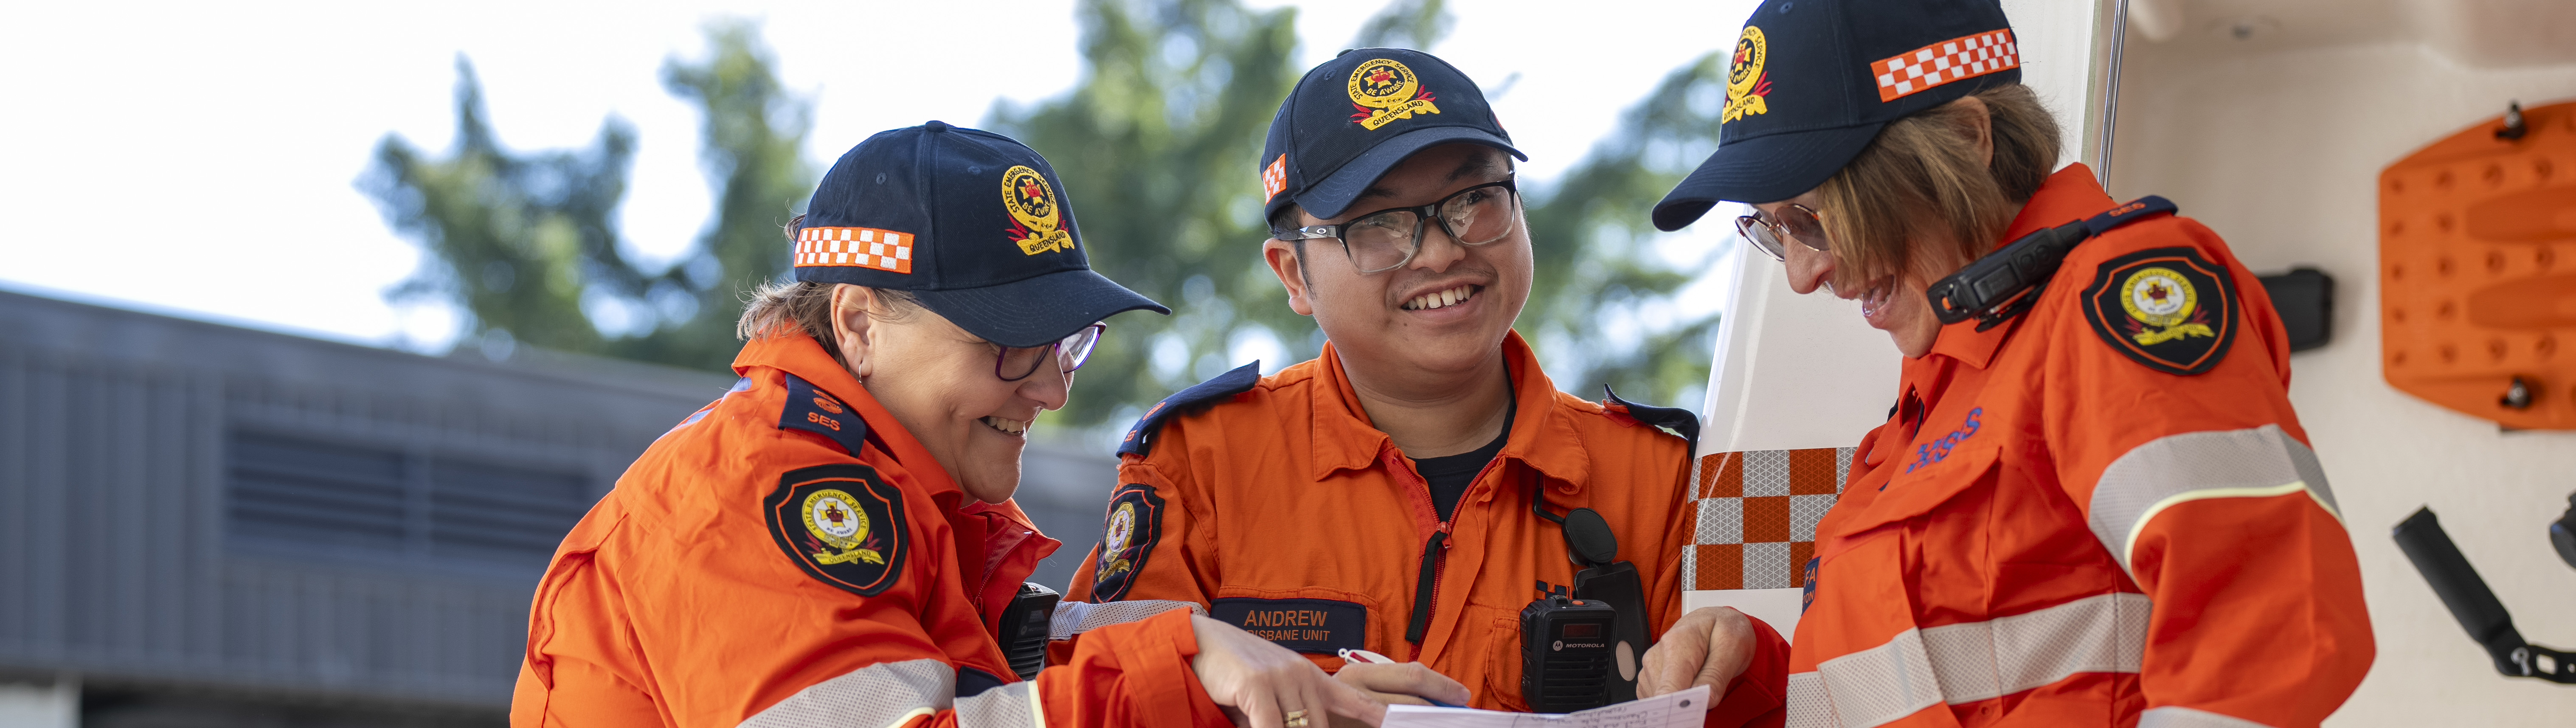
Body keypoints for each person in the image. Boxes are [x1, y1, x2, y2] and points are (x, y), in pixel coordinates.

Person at [511, 121, 1386, 728]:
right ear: (858, 323)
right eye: (1010, 344)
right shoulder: (745, 493)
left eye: (1069, 344)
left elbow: (1025, 653)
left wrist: (1304, 686)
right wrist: (1195, 670)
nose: (1053, 390)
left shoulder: (909, 496)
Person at [1650, 1, 2376, 727]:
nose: (1804, 275)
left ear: (1967, 141)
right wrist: (1749, 679)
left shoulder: (2108, 295)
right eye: (1775, 231)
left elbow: (2270, 630)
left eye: (1814, 217)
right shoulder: (1938, 385)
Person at [1054, 49, 1790, 726]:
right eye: (1378, 223)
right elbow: (1086, 692)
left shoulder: (1662, 480)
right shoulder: (1201, 462)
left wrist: (1751, 664)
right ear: (1292, 275)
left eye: (1474, 199)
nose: (1442, 249)